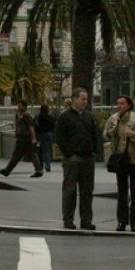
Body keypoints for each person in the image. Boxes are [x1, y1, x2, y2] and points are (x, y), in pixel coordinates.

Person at [104, 95, 135, 231]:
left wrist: (133, 134)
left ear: (129, 105)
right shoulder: (113, 119)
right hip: (120, 159)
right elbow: (105, 134)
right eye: (118, 103)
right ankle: (122, 221)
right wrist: (109, 133)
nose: (119, 106)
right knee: (121, 191)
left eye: (122, 103)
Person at [54, 87, 98, 230]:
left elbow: (94, 134)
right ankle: (68, 219)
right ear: (74, 99)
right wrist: (68, 154)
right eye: (82, 98)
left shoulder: (88, 116)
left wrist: (93, 151)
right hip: (73, 157)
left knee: (87, 191)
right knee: (70, 191)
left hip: (87, 157)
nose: (85, 101)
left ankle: (86, 220)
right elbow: (59, 137)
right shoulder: (65, 116)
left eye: (86, 99)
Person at [0, 101, 43, 178]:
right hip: (20, 139)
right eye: (18, 106)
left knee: (29, 154)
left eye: (20, 106)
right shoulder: (18, 115)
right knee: (18, 155)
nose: (18, 107)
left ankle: (39, 170)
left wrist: (33, 139)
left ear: (25, 107)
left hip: (26, 139)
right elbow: (17, 127)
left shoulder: (26, 115)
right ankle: (7, 170)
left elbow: (31, 127)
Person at [35, 104, 56, 172]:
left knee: (39, 151)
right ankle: (48, 166)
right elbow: (54, 126)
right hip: (48, 135)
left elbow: (34, 125)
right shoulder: (50, 117)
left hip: (39, 136)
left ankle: (40, 166)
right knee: (47, 151)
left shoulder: (37, 117)